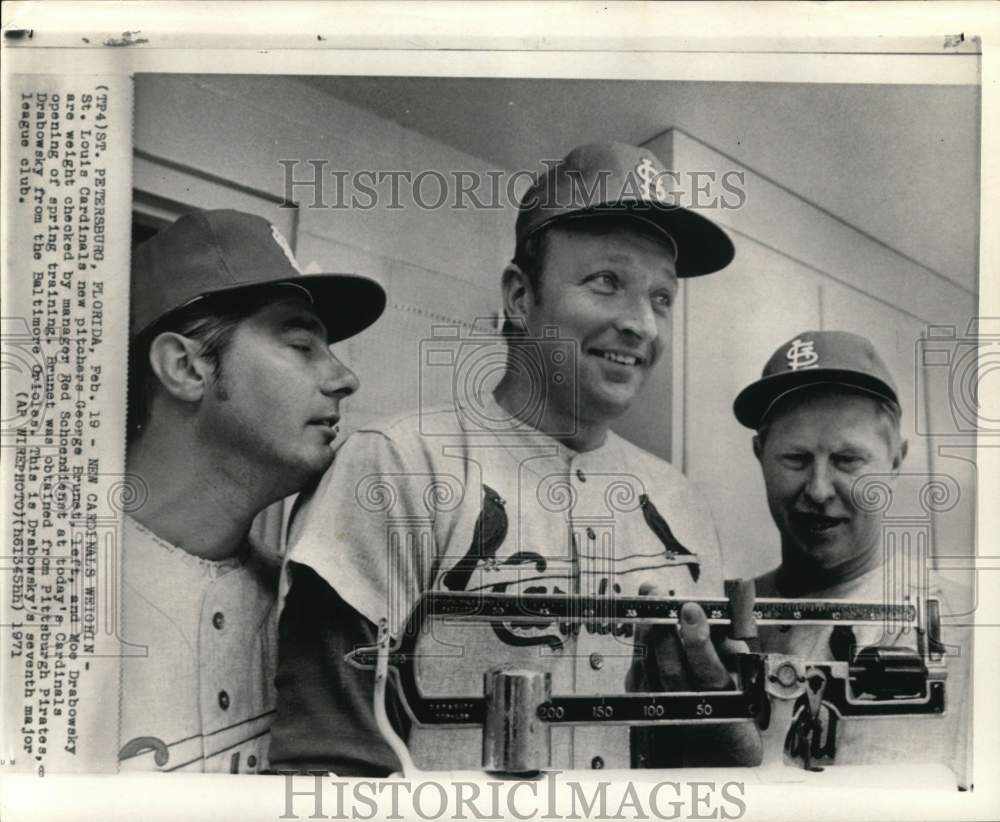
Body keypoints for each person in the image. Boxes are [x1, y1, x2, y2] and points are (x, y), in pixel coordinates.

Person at [271, 143, 761, 774]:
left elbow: (686, 753)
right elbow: (324, 758)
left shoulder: (680, 503)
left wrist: (717, 704)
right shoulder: (398, 465)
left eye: (662, 297)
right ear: (519, 296)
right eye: (607, 282)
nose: (642, 324)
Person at [113, 209, 385, 773]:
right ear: (186, 368)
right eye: (302, 345)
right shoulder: (39, 598)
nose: (345, 379)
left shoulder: (311, 608)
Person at [733, 330, 971, 782]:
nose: (820, 490)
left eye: (847, 460)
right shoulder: (728, 625)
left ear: (895, 460)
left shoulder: (967, 627)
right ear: (760, 453)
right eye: (796, 459)